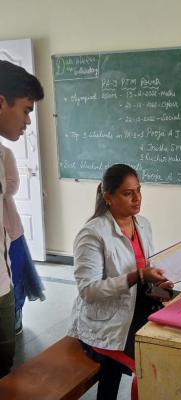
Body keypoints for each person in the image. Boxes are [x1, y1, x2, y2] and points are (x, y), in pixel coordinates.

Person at [68, 163, 172, 400]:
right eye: (128, 193)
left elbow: (145, 273)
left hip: (137, 308)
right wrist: (138, 276)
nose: (137, 198)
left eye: (138, 190)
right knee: (149, 364)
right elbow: (88, 291)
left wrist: (158, 286)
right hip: (105, 323)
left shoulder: (142, 224)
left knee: (170, 346)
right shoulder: (92, 233)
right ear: (108, 198)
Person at [0, 60, 44, 377]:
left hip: (1, 281)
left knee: (5, 362)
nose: (28, 121)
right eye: (26, 110)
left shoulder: (3, 155)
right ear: (1, 102)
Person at [2, 143, 45, 334]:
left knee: (16, 275)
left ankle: (15, 315)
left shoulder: (5, 152)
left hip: (9, 227)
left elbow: (11, 186)